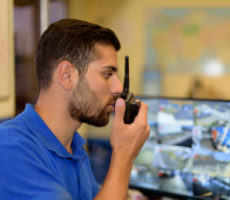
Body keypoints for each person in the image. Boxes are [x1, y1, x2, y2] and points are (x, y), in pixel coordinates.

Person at [0, 19, 150, 200]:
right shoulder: (10, 147)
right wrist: (124, 154)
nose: (118, 88)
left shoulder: (74, 147)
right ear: (67, 76)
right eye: (107, 74)